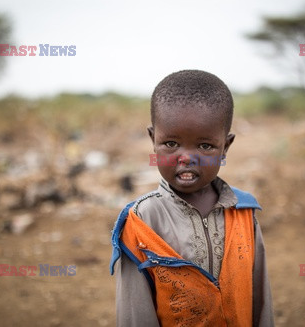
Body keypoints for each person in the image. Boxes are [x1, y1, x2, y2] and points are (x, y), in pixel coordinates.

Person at [110, 70, 275, 326]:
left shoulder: (243, 212)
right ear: (153, 140)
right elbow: (135, 313)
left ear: (226, 146)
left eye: (205, 146)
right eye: (172, 143)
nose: (186, 157)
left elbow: (260, 299)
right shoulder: (142, 220)